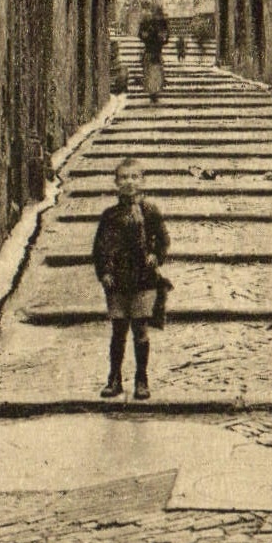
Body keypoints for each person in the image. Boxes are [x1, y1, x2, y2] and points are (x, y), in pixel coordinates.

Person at [92, 156, 170, 400]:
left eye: (134, 177)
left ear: (143, 181)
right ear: (116, 182)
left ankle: (141, 379)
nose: (129, 182)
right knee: (118, 331)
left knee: (140, 330)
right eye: (124, 177)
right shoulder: (109, 215)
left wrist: (156, 256)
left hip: (144, 280)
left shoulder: (150, 211)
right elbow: (100, 247)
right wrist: (104, 272)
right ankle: (114, 378)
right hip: (117, 281)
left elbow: (163, 240)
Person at [138, 0, 170, 104]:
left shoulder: (161, 22)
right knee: (152, 73)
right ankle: (153, 93)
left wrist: (162, 38)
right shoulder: (148, 21)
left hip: (154, 51)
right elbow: (141, 34)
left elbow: (166, 36)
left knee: (155, 73)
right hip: (151, 51)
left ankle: (154, 93)